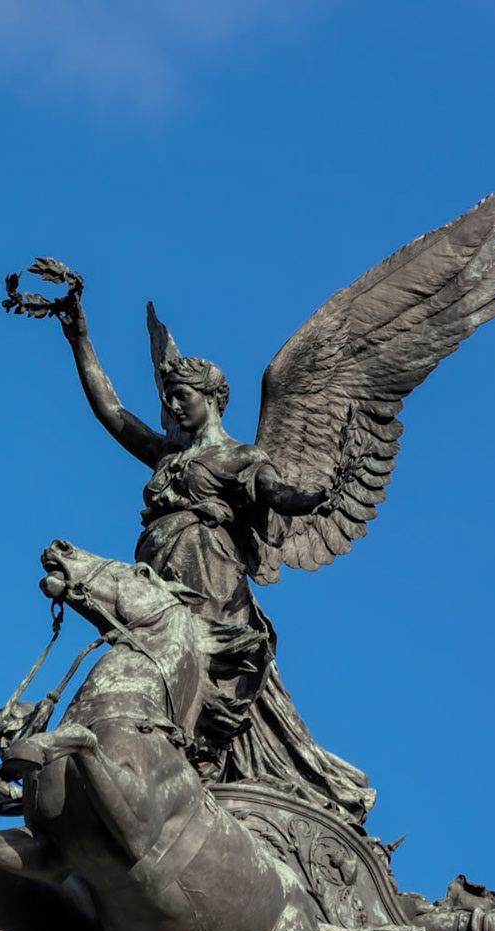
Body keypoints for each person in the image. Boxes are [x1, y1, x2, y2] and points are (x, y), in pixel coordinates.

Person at [52, 294, 377, 824]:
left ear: (211, 398)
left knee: (223, 689)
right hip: (159, 583)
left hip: (212, 582)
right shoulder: (168, 455)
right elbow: (111, 412)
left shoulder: (240, 458)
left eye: (181, 397)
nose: (173, 407)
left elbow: (278, 493)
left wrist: (314, 494)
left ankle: (282, 781)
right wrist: (79, 338)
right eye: (168, 398)